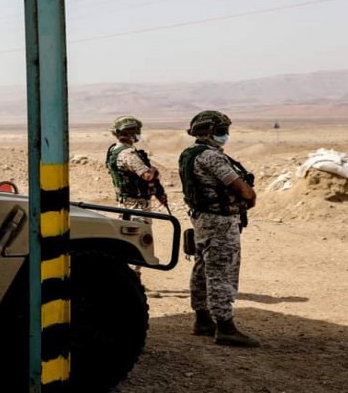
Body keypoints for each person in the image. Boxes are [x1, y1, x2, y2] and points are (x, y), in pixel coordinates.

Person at [178, 110, 260, 347]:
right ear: (210, 132)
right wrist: (250, 196)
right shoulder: (211, 157)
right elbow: (242, 189)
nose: (226, 135)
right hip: (220, 222)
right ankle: (225, 327)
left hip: (202, 218)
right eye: (223, 131)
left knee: (202, 269)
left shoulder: (189, 154)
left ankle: (203, 320)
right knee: (221, 272)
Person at [105, 115, 169, 225]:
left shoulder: (113, 150)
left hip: (125, 202)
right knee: (140, 232)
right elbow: (147, 176)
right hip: (137, 205)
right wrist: (154, 170)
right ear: (130, 133)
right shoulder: (128, 154)